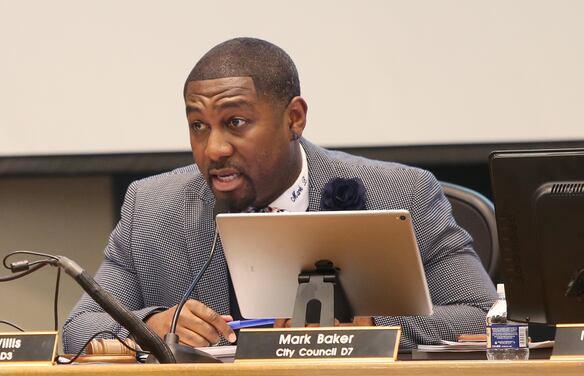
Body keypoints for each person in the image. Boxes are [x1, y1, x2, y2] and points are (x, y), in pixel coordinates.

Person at [63, 37, 497, 353]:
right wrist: (152, 324)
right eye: (198, 126)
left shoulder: (402, 193)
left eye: (235, 122)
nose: (213, 148)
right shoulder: (153, 207)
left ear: (294, 118)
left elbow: (484, 314)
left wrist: (373, 325)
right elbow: (79, 327)